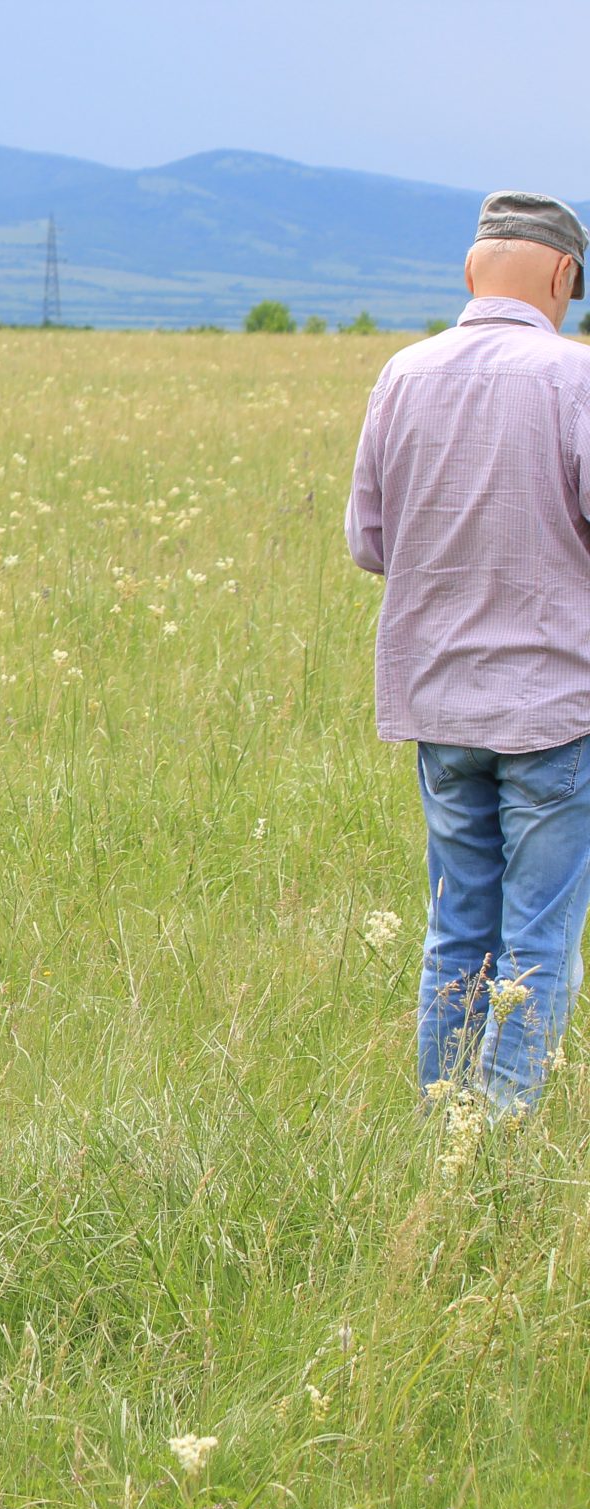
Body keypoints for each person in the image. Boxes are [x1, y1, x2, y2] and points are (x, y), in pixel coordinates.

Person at [347, 190, 590, 1107]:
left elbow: (370, 542)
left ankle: (439, 1127)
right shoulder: (577, 379)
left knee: (457, 932)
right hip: (556, 710)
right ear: (563, 275)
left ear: (470, 270)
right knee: (539, 940)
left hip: (440, 706)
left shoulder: (402, 375)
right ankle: (499, 1141)